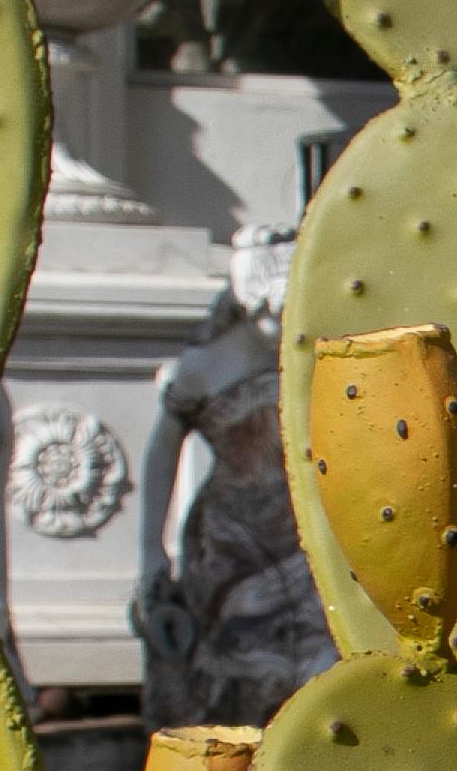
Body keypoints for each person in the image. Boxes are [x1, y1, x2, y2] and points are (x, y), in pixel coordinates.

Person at [131, 218, 331, 725]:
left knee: (314, 661)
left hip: (308, 531)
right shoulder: (204, 365)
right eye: (268, 311)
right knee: (234, 664)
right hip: (229, 537)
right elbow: (160, 455)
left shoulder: (318, 352)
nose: (278, 325)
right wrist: (151, 553)